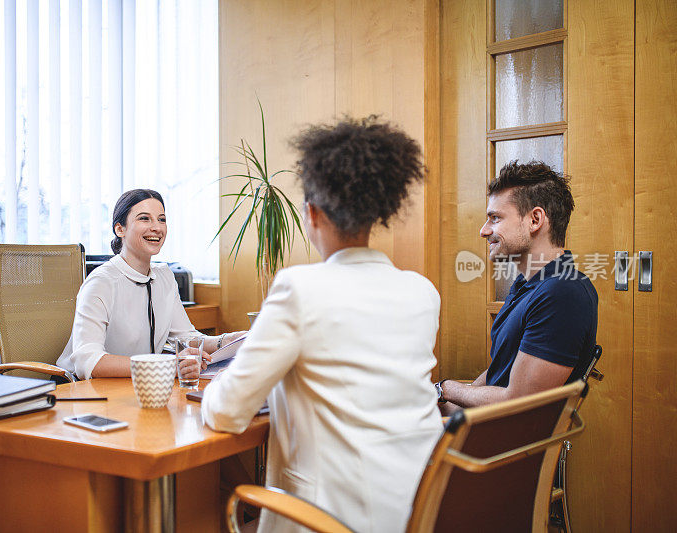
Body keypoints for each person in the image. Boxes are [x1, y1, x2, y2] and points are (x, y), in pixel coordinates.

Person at [202, 117, 443, 532]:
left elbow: (226, 412)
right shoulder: (422, 292)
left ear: (312, 213)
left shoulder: (301, 288)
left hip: (329, 518)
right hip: (418, 505)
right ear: (378, 213)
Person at [437, 161, 598, 414]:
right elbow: (503, 369)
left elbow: (519, 401)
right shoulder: (529, 284)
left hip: (500, 447)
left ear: (535, 220)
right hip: (485, 429)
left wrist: (447, 389)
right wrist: (446, 398)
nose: (484, 230)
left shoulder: (563, 292)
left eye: (495, 218)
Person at [57, 188, 243, 380]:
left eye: (161, 219)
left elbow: (185, 337)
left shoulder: (164, 277)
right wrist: (168, 365)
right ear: (120, 229)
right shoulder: (101, 282)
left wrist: (229, 340)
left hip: (139, 385)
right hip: (87, 391)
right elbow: (89, 361)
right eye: (144, 218)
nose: (157, 227)